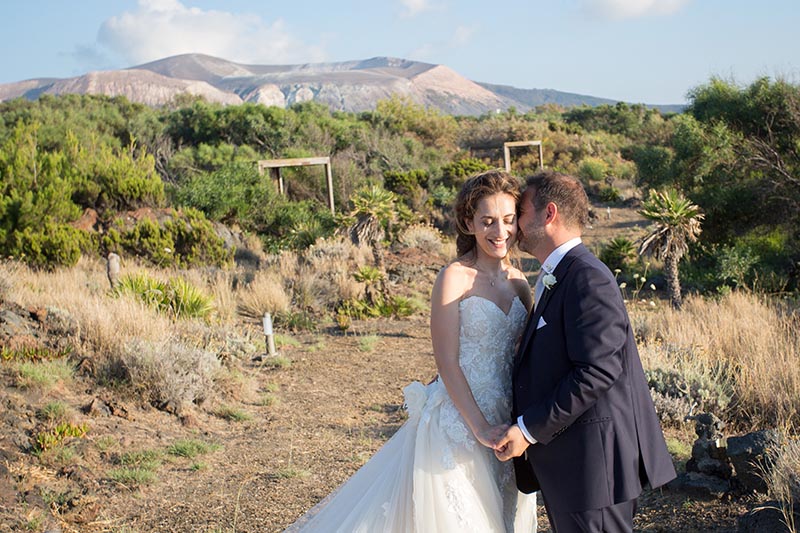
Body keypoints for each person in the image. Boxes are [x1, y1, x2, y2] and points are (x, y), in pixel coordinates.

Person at [284, 170, 538, 532]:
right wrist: (480, 427)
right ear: (469, 223)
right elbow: (446, 362)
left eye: (509, 220)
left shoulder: (519, 282)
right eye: (488, 221)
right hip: (460, 425)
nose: (500, 232)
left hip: (506, 421)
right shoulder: (454, 277)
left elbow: (523, 354)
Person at [495, 170, 676, 533]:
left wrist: (528, 429)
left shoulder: (587, 276)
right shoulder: (560, 273)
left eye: (520, 212)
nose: (514, 226)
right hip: (577, 464)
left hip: (595, 464)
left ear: (548, 215)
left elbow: (596, 372)